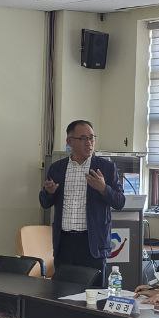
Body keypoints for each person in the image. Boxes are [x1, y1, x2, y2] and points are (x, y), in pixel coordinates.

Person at [38, 120, 126, 286]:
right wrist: (48, 193)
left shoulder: (106, 168)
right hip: (64, 243)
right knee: (61, 294)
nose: (89, 143)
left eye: (92, 138)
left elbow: (120, 202)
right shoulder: (57, 168)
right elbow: (44, 203)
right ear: (69, 141)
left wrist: (103, 188)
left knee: (94, 297)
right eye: (84, 138)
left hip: (92, 244)